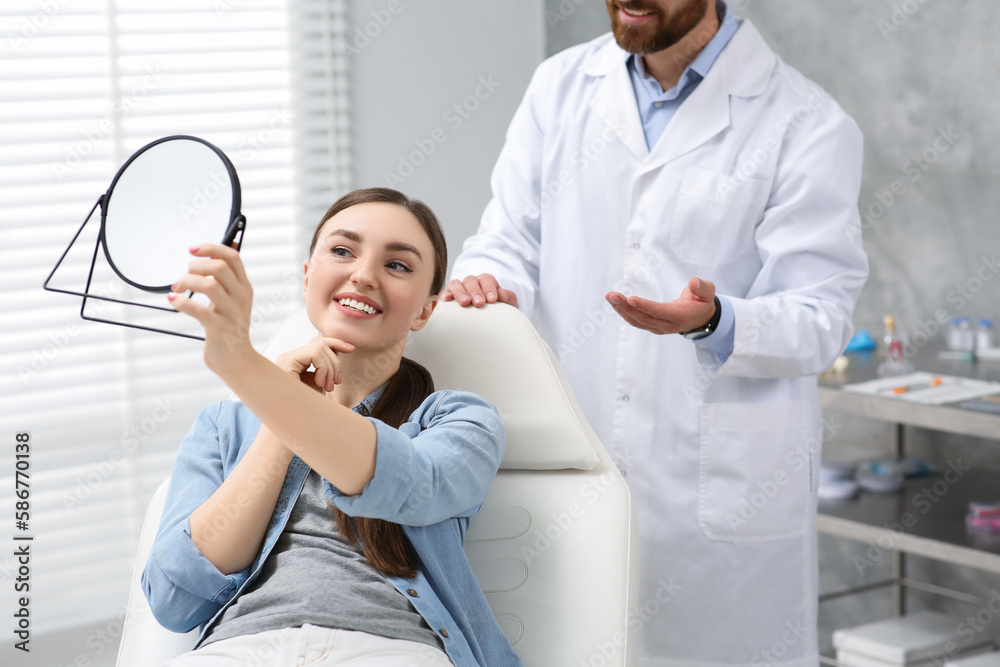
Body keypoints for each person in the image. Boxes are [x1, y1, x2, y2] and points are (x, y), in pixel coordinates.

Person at [443, 1, 869, 665]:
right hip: (576, 460)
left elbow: (820, 317)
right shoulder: (560, 87)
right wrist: (488, 283)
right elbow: (507, 239)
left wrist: (717, 319)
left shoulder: (805, 123)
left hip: (718, 501)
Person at [142, 187, 524, 667]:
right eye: (342, 251)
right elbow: (175, 599)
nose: (363, 275)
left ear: (426, 309)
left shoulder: (459, 419)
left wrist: (246, 368)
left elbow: (413, 484)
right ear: (307, 278)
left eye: (398, 265)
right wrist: (281, 417)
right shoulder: (223, 426)